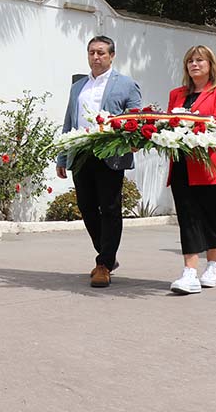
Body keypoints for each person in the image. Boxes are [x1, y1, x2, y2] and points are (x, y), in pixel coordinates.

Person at [56, 36, 141, 287]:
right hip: (81, 153)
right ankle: (107, 254)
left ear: (112, 56)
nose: (96, 57)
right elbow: (69, 122)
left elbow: (136, 118)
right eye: (92, 52)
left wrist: (134, 141)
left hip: (110, 154)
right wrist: (62, 156)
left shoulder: (126, 84)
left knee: (110, 208)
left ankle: (103, 264)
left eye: (101, 52)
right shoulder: (78, 86)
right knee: (86, 207)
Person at [167, 45, 216, 294]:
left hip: (212, 166)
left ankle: (212, 266)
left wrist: (186, 121)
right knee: (188, 218)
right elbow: (168, 123)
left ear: (210, 65)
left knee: (214, 218)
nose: (194, 64)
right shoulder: (176, 94)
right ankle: (189, 273)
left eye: (200, 60)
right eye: (190, 61)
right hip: (182, 164)